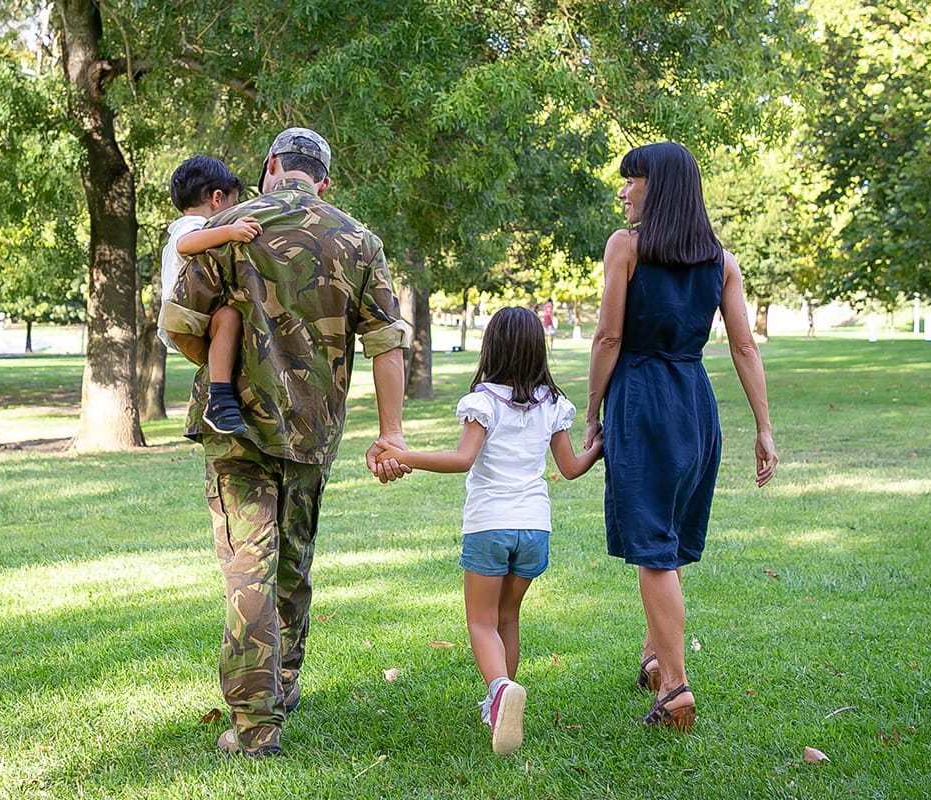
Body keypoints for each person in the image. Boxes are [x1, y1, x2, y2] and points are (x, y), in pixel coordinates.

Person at [159, 127, 411, 758]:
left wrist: (225, 367)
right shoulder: (359, 240)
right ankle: (286, 682)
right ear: (323, 181)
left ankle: (255, 726)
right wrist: (392, 432)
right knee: (293, 562)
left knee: (249, 567)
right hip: (311, 430)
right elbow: (387, 345)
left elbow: (179, 323)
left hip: (234, 429)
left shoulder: (229, 225)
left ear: (271, 166)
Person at [584, 142, 777, 733]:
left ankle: (674, 685)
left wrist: (592, 413)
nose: (622, 192)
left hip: (642, 400)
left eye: (631, 181)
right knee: (665, 539)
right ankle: (653, 656)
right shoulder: (721, 260)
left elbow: (608, 339)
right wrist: (764, 429)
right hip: (695, 403)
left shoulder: (628, 248)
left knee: (652, 549)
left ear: (658, 186)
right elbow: (744, 347)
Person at [375, 306, 602, 756]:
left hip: (489, 526)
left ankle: (499, 689)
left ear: (491, 347)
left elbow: (463, 459)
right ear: (538, 349)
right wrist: (598, 446)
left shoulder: (484, 402)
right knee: (507, 617)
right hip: (534, 528)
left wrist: (406, 454)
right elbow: (571, 468)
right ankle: (499, 701)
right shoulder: (553, 404)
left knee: (480, 620)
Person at [160, 155, 263, 435]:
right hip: (185, 318)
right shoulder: (190, 225)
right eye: (233, 203)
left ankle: (224, 401)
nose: (235, 210)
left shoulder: (196, 226)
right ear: (217, 198)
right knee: (229, 317)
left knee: (231, 351)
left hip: (189, 320)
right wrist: (231, 230)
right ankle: (218, 401)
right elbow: (186, 244)